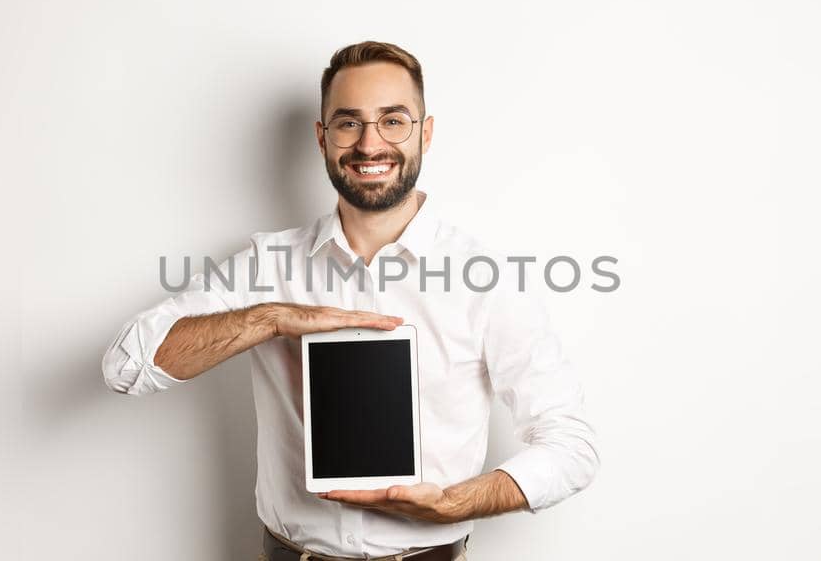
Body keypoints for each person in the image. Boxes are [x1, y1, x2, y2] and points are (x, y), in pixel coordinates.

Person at [102, 41, 599, 561]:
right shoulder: (264, 265)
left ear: (424, 134)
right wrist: (271, 319)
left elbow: (572, 446)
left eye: (393, 121)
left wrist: (456, 503)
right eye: (348, 123)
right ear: (322, 138)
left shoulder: (487, 279)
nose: (369, 144)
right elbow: (125, 368)